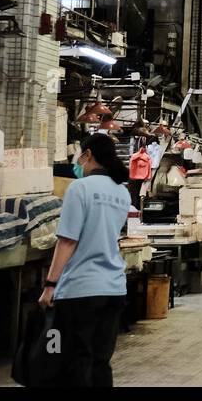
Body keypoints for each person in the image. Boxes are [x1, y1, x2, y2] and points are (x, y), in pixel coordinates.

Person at [38, 133, 132, 387]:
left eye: (80, 155)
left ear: (88, 154)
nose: (77, 161)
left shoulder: (79, 188)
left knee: (76, 362)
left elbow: (68, 241)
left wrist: (50, 285)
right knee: (101, 362)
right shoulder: (122, 193)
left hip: (80, 289)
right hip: (114, 288)